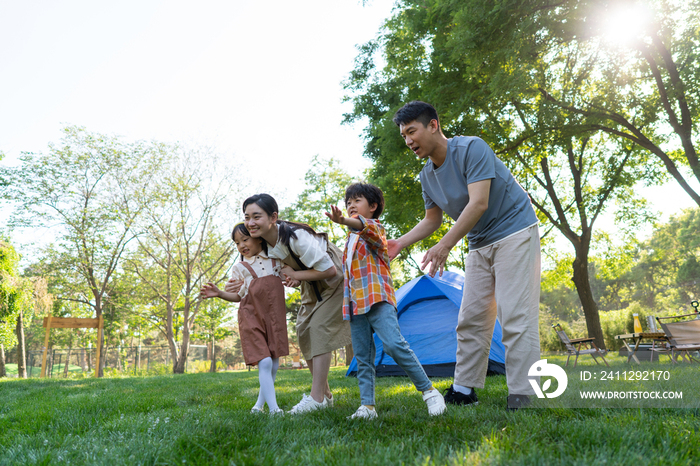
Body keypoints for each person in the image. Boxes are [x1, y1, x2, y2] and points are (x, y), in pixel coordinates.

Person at [389, 101, 541, 411]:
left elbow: (478, 203)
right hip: (479, 242)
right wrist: (400, 243)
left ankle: (523, 392)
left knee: (515, 314)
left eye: (412, 131)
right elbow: (433, 219)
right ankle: (463, 389)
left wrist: (443, 246)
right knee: (471, 317)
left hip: (514, 231)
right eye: (403, 135)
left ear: (433, 125)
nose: (408, 141)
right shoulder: (427, 176)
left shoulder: (472, 148)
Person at [326, 182, 446, 419]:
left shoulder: (374, 229)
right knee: (362, 356)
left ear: (373, 206)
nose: (350, 205)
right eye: (348, 202)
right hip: (355, 303)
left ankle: (430, 392)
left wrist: (344, 221)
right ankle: (367, 407)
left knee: (393, 344)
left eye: (356, 201)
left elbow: (362, 225)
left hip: (378, 298)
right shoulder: (349, 241)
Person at [228, 194, 352, 414]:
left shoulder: (295, 236)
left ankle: (316, 398)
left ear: (273, 217)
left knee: (319, 328)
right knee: (303, 330)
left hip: (334, 278)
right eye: (247, 217)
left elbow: (329, 270)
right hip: (311, 283)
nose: (251, 223)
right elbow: (265, 267)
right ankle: (326, 395)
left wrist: (297, 274)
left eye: (257, 216)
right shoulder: (265, 242)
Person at [200, 223, 289, 414]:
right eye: (237, 243)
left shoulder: (276, 259)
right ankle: (274, 410)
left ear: (259, 237)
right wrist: (219, 293)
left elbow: (290, 278)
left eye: (245, 239)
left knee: (274, 362)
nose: (241, 245)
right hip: (251, 317)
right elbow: (238, 296)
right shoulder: (240, 268)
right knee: (264, 362)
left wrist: (295, 279)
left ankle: (258, 406)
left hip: (274, 317)